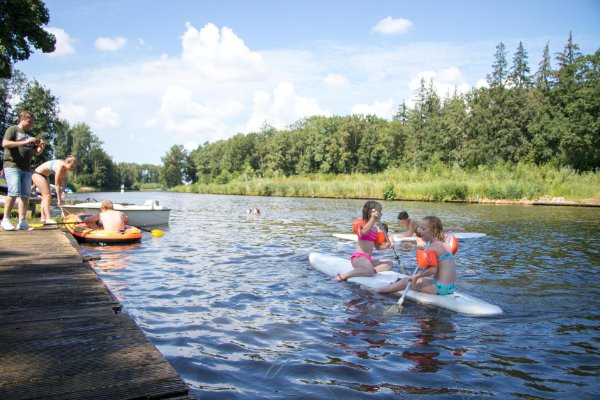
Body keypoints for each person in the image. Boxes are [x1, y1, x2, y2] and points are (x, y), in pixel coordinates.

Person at [378, 216, 458, 296]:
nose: (420, 231)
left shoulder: (432, 247)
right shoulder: (445, 244)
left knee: (406, 281)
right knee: (419, 279)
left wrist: (416, 277)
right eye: (420, 228)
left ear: (434, 231)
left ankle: (379, 290)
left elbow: (432, 270)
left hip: (441, 287)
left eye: (423, 229)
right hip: (452, 286)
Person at [1, 111, 44, 231]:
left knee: (25, 195)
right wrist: (25, 141)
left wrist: (41, 147)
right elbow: (5, 143)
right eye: (30, 122)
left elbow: (35, 152)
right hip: (12, 165)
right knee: (13, 192)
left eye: (33, 122)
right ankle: (6, 220)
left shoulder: (29, 134)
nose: (31, 124)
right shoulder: (13, 129)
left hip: (26, 168)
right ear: (22, 119)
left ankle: (22, 221)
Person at [335, 200, 393, 281]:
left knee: (389, 263)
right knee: (369, 270)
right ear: (371, 212)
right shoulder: (361, 224)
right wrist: (373, 219)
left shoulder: (376, 229)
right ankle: (343, 276)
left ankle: (371, 271)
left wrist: (387, 246)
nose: (381, 213)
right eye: (379, 211)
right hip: (358, 258)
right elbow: (363, 232)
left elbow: (377, 247)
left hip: (368, 259)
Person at [32, 156, 76, 224]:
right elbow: (57, 185)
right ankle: (48, 218)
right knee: (47, 196)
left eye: (73, 166)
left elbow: (63, 179)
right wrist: (59, 200)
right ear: (67, 162)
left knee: (45, 197)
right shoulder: (59, 166)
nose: (72, 168)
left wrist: (63, 190)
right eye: (72, 166)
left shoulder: (65, 168)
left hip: (45, 176)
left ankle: (43, 218)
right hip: (38, 174)